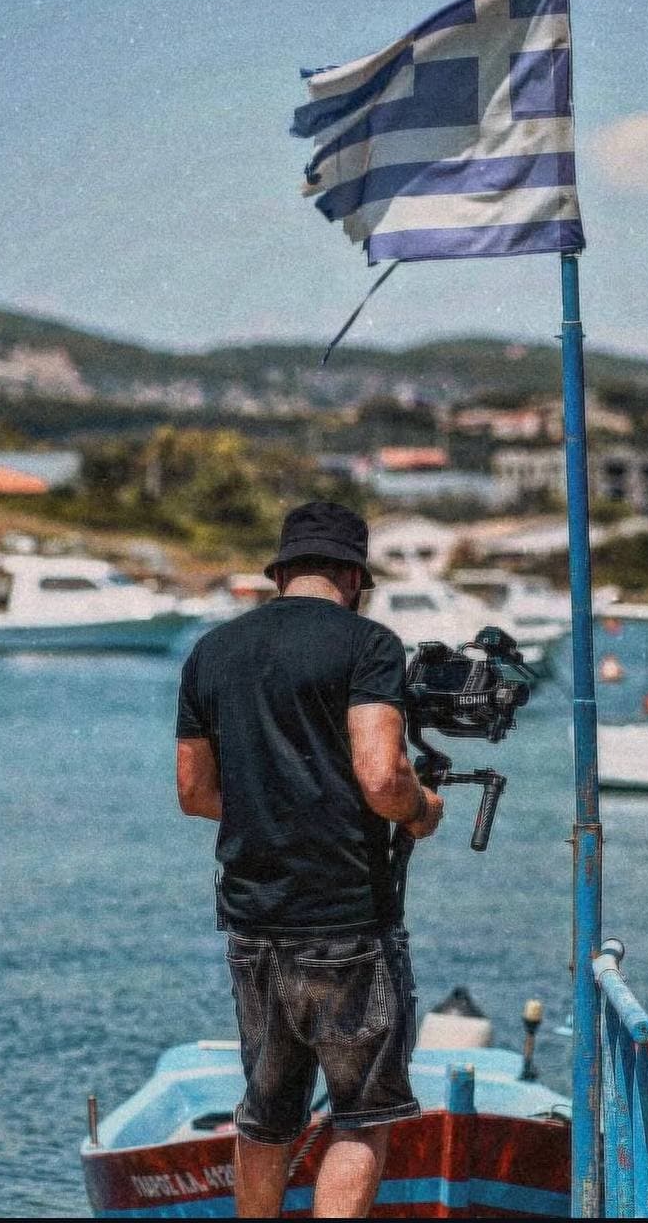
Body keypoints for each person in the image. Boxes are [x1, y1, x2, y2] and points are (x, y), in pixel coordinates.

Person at [175, 500, 443, 1218]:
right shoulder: (369, 646)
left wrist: (273, 804)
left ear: (282, 571)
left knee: (266, 1114)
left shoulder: (212, 651)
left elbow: (195, 791)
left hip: (253, 924)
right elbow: (384, 780)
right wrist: (424, 812)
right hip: (346, 922)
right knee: (361, 1112)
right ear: (354, 575)